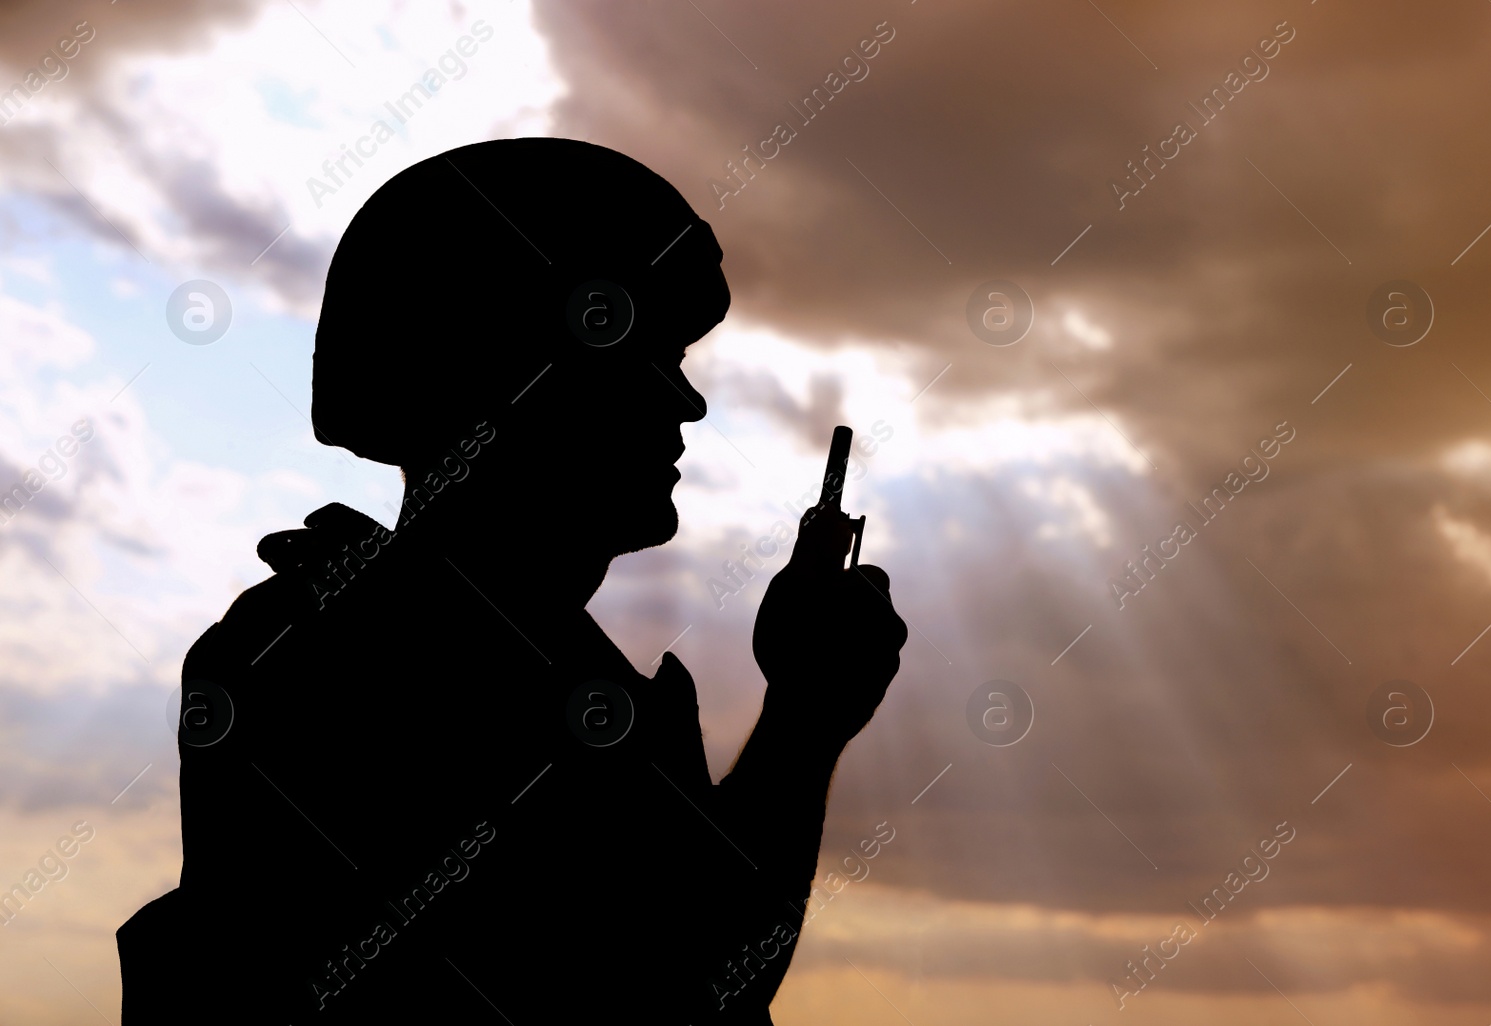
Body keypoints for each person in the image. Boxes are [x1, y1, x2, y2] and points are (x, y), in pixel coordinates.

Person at [116, 137, 908, 1023]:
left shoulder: (381, 639)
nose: (687, 404)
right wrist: (806, 718)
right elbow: (699, 976)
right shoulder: (371, 663)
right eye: (650, 355)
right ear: (519, 376)